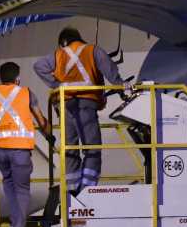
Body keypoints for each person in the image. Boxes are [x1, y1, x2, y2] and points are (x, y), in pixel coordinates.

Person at [34, 26, 132, 196]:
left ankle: (72, 191)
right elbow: (110, 71)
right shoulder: (92, 50)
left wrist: (57, 85)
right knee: (92, 148)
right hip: (86, 104)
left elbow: (39, 66)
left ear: (63, 42)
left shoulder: (59, 54)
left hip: (65, 106)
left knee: (70, 148)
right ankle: (87, 190)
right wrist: (122, 87)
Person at [0, 61, 52, 227]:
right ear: (17, 77)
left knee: (9, 185)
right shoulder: (26, 93)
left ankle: (15, 222)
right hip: (20, 150)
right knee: (22, 189)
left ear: (1, 77)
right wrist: (50, 137)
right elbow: (41, 120)